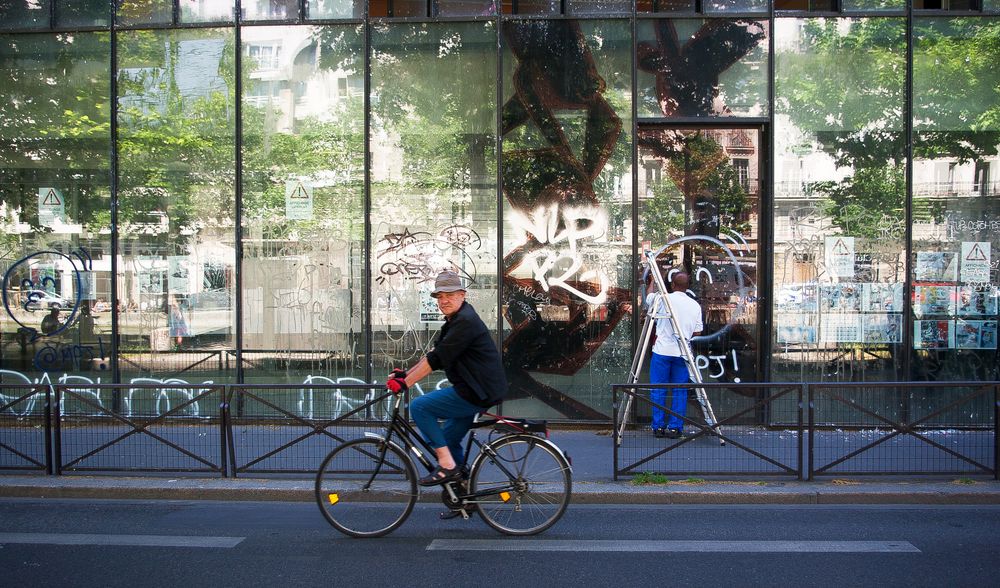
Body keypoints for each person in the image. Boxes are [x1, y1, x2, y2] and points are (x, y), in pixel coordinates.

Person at [386, 270, 507, 492]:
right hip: (476, 389)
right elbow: (435, 354)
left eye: (449, 295)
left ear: (463, 294)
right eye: (440, 296)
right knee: (448, 441)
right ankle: (463, 495)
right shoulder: (456, 321)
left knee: (420, 407)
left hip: (476, 391)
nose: (444, 300)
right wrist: (405, 374)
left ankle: (447, 466)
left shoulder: (465, 322)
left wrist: (406, 384)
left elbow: (436, 359)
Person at [646, 271, 703, 439]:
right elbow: (698, 331)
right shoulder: (695, 306)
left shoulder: (662, 299)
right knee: (679, 390)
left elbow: (648, 297)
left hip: (662, 351)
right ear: (687, 287)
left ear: (672, 285)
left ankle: (658, 426)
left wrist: (652, 282)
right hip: (682, 353)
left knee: (658, 388)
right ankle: (675, 427)